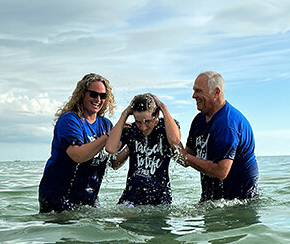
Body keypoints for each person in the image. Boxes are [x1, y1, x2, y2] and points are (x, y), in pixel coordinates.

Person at [38, 73, 121, 213]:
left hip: (89, 199)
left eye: (103, 96)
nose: (98, 99)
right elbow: (78, 156)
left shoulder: (106, 125)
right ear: (82, 94)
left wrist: (131, 144)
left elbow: (114, 163)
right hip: (58, 196)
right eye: (93, 94)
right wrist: (109, 136)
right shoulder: (70, 120)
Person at [180, 71, 259, 201]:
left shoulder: (227, 123)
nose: (194, 96)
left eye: (198, 91)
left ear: (216, 93)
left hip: (240, 204)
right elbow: (185, 159)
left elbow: (221, 172)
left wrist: (185, 156)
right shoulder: (199, 121)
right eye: (194, 90)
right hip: (212, 201)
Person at [105, 93, 181, 206]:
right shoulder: (132, 130)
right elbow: (110, 148)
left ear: (157, 115)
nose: (143, 127)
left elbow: (175, 140)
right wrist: (124, 114)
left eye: (147, 121)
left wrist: (163, 107)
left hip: (159, 198)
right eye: (138, 122)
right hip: (131, 196)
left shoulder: (165, 128)